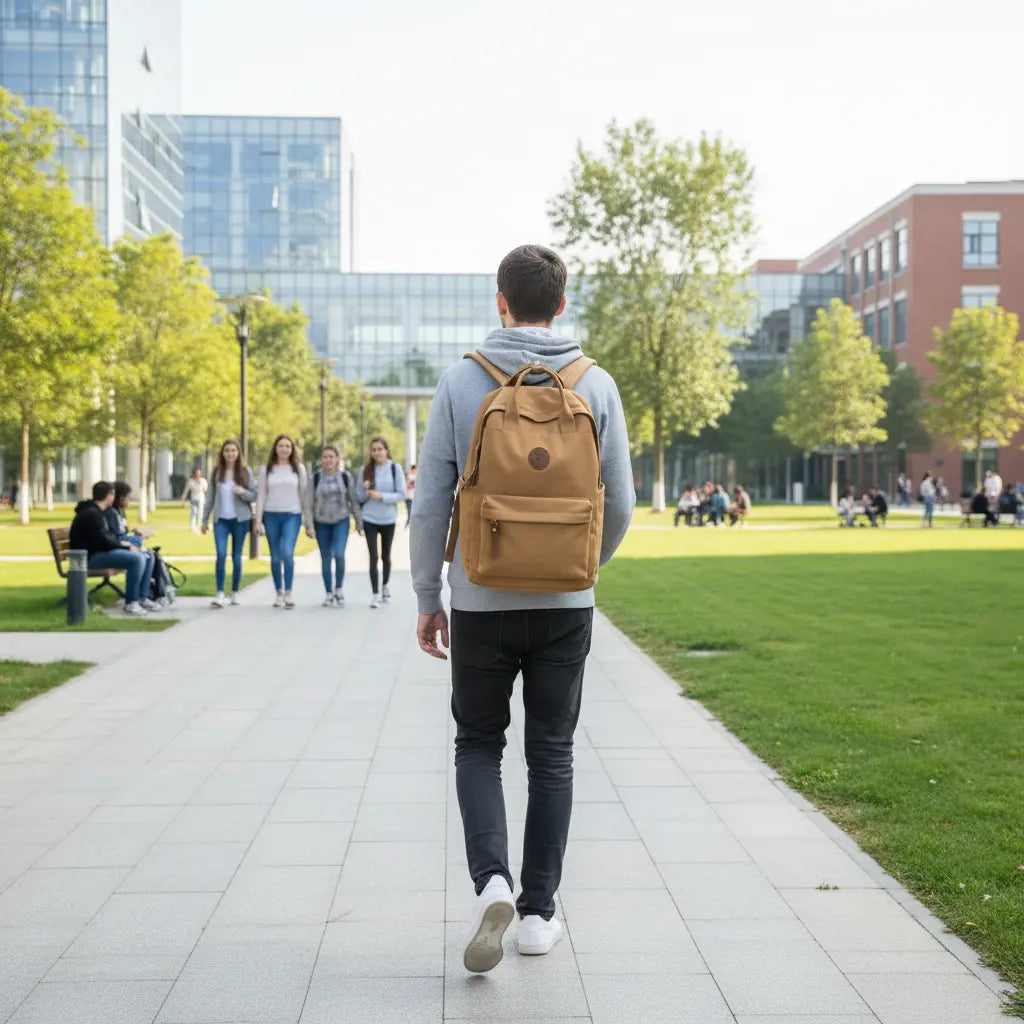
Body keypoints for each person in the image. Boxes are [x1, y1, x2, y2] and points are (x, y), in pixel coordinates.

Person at [410, 244, 635, 973]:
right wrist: (574, 569)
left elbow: (430, 505)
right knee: (553, 752)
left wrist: (427, 596)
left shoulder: (459, 382)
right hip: (566, 604)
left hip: (479, 596)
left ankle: (493, 882)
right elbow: (622, 505)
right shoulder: (595, 385)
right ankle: (539, 913)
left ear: (499, 301)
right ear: (561, 303)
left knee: (478, 742)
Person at [70, 481, 153, 616]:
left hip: (97, 553)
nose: (113, 498)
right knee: (136, 559)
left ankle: (141, 598)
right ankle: (131, 602)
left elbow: (108, 537)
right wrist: (127, 547)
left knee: (145, 555)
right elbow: (103, 540)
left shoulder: (97, 512)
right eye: (112, 495)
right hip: (88, 558)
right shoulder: (92, 514)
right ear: (109, 496)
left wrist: (127, 545)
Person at [255, 434, 311, 609]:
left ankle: (288, 592)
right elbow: (261, 494)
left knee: (287, 553)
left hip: (292, 515)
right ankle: (278, 592)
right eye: (281, 446)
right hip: (271, 515)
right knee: (275, 557)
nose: (284, 449)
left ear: (292, 449)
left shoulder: (298, 469)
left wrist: (308, 521)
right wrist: (258, 520)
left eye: (288, 446)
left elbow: (305, 495)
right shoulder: (267, 469)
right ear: (275, 448)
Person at [202, 439, 257, 608]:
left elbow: (255, 494)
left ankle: (234, 592)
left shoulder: (246, 471)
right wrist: (204, 520)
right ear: (222, 453)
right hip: (221, 520)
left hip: (240, 519)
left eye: (233, 450)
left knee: (237, 557)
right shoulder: (217, 472)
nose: (230, 453)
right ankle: (219, 593)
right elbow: (210, 497)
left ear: (238, 453)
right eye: (227, 450)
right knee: (220, 554)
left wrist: (243, 492)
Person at [309, 444, 362, 606]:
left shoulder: (345, 477)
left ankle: (339, 588)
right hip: (321, 522)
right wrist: (309, 524)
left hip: (341, 520)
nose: (328, 460)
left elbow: (353, 501)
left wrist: (359, 523)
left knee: (339, 554)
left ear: (337, 459)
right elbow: (308, 502)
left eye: (331, 457)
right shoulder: (316, 477)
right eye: (325, 457)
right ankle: (328, 593)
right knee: (325, 557)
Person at [355, 437, 405, 608]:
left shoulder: (394, 468)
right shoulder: (365, 470)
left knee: (386, 555)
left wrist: (381, 496)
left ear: (386, 450)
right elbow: (359, 497)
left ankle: (385, 585)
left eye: (380, 449)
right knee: (373, 556)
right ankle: (375, 593)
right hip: (370, 517)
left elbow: (401, 494)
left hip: (389, 518)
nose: (377, 452)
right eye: (374, 449)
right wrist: (365, 490)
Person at [104, 482, 161, 611]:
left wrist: (136, 534)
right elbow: (117, 537)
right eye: (127, 497)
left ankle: (142, 596)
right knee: (140, 557)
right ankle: (132, 600)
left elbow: (122, 533)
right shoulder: (111, 513)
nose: (129, 500)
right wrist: (139, 538)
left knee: (150, 555)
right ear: (119, 497)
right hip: (114, 550)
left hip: (120, 547)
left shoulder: (119, 512)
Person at [179, 468, 208, 533]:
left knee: (200, 513)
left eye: (199, 473)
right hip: (193, 499)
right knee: (194, 512)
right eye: (197, 473)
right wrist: (183, 499)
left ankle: (199, 525)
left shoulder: (203, 480)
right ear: (194, 473)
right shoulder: (190, 481)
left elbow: (205, 489)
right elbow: (186, 491)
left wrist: (201, 485)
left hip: (201, 499)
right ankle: (192, 525)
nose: (198, 474)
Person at [404, 463, 417, 528]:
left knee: (412, 511)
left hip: (414, 497)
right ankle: (408, 522)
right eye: (414, 469)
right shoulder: (409, 477)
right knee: (409, 511)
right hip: (408, 496)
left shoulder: (417, 477)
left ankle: (409, 522)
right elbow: (407, 486)